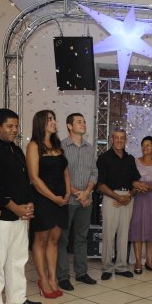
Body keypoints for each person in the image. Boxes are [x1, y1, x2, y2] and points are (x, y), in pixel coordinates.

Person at [0, 109, 41, 304]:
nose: (14, 130)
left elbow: (25, 181)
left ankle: (16, 298)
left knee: (18, 259)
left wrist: (29, 203)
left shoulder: (16, 150)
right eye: (9, 126)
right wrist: (14, 207)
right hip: (1, 216)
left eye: (16, 126)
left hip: (21, 216)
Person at [26, 110, 70, 298]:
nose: (54, 122)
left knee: (54, 239)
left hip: (61, 199)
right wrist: (53, 197)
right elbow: (34, 178)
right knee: (41, 239)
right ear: (41, 123)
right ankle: (42, 279)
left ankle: (53, 278)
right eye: (50, 119)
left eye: (54, 119)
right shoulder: (34, 146)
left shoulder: (58, 146)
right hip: (43, 198)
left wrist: (68, 193)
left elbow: (66, 172)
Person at [56, 113, 98, 291]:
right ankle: (63, 276)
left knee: (81, 238)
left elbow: (94, 172)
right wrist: (76, 193)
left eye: (84, 121)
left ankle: (81, 273)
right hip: (67, 200)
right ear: (69, 126)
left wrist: (86, 193)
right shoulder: (61, 147)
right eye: (79, 121)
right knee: (63, 239)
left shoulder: (90, 148)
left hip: (86, 201)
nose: (83, 124)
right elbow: (59, 174)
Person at [96, 127, 145, 280]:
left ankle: (121, 267)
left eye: (122, 138)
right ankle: (107, 267)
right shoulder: (103, 158)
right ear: (111, 139)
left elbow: (135, 181)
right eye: (116, 137)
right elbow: (100, 185)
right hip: (111, 198)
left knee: (124, 235)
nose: (119, 140)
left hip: (128, 199)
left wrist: (130, 196)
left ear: (125, 140)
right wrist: (118, 197)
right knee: (108, 234)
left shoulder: (130, 159)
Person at [129, 136, 152, 274]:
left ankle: (149, 261)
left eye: (148, 145)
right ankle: (138, 261)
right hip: (139, 198)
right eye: (143, 145)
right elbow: (130, 179)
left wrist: (150, 188)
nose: (145, 147)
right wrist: (137, 185)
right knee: (137, 229)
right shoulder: (135, 162)